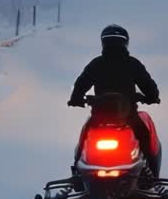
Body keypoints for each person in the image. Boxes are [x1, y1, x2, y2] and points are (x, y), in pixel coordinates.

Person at [68, 24, 161, 176]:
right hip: (127, 116)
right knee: (143, 135)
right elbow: (148, 84)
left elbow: (81, 83)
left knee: (85, 135)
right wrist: (152, 97)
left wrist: (76, 99)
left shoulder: (96, 64)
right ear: (125, 42)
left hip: (99, 117)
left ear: (103, 42)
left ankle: (77, 172)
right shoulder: (132, 64)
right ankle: (149, 171)